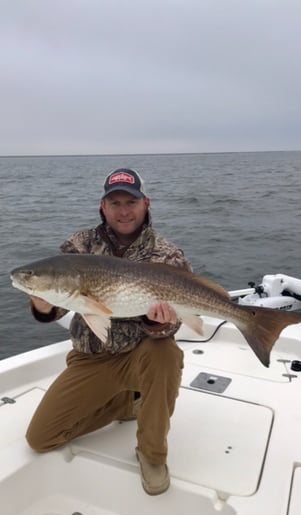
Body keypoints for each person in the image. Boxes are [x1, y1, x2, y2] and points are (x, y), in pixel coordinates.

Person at [26, 167, 192, 495]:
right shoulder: (80, 245)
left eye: (130, 202)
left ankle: (152, 454)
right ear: (103, 206)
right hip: (92, 358)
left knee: (166, 353)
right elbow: (59, 304)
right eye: (114, 203)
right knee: (40, 438)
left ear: (145, 203)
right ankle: (125, 405)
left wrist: (158, 322)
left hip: (142, 356)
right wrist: (42, 305)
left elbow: (175, 324)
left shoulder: (166, 255)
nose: (123, 211)